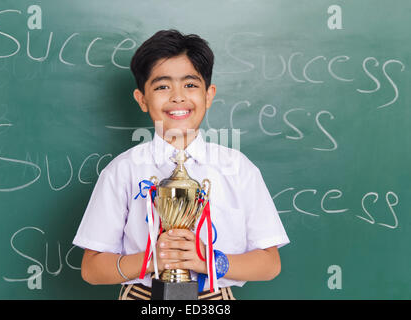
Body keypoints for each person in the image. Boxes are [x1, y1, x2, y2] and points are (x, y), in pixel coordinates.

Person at [72, 29, 289, 300]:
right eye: (162, 86)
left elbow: (270, 264)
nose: (177, 97)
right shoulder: (122, 170)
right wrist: (153, 259)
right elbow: (92, 269)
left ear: (208, 95)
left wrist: (207, 260)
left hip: (214, 297)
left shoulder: (239, 168)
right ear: (142, 99)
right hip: (142, 295)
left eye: (190, 85)